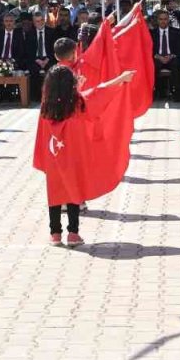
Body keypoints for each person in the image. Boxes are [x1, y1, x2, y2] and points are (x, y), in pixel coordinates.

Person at [35, 64, 135, 246]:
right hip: (73, 156)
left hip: (53, 155)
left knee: (55, 192)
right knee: (75, 191)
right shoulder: (77, 103)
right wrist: (121, 79)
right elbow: (99, 93)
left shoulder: (45, 107)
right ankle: (73, 233)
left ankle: (55, 233)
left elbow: (41, 135)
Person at [151, 9, 180, 99]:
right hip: (158, 57)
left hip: (171, 57)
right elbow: (150, 49)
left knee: (176, 64)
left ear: (168, 20)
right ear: (157, 20)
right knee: (153, 65)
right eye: (161, 19)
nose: (163, 21)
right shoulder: (153, 33)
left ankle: (177, 94)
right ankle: (158, 92)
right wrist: (158, 56)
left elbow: (179, 48)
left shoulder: (176, 32)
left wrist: (171, 56)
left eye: (165, 19)